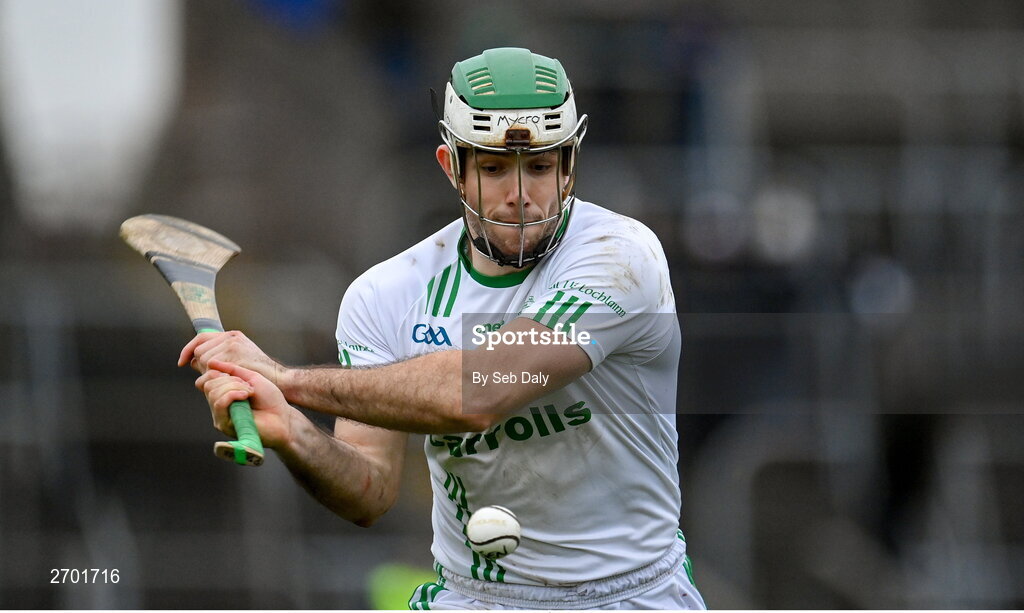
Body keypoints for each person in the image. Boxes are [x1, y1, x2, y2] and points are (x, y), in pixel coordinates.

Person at [181, 47, 706, 610]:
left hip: (630, 596)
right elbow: (368, 491)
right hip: (471, 596)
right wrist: (291, 429)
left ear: (570, 165)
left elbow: (480, 393)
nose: (520, 194)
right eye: (493, 167)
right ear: (451, 166)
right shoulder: (385, 295)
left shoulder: (621, 257)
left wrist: (288, 381)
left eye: (540, 166)